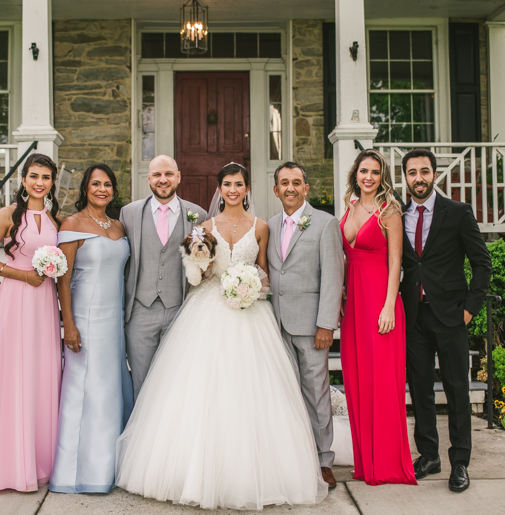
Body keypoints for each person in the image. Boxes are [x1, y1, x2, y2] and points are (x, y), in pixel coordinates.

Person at [116, 163, 328, 510]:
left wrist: (248, 286)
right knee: (201, 388)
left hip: (250, 312)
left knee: (252, 390)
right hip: (208, 308)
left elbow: (265, 272)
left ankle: (255, 472)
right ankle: (195, 471)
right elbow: (197, 276)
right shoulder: (201, 227)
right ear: (220, 188)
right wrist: (202, 267)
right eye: (227, 184)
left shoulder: (261, 227)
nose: (233, 189)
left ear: (247, 189)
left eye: (239, 184)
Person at [399, 148, 492, 493]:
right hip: (413, 316)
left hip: (451, 315)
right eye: (412, 173)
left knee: (457, 390)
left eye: (424, 171)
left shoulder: (457, 213)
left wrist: (469, 308)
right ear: (405, 177)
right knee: (420, 389)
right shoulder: (398, 213)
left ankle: (460, 462)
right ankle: (428, 455)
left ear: (434, 174)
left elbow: (482, 264)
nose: (418, 178)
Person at [0, 153, 62, 492]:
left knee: (41, 375)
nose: (40, 182)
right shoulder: (8, 215)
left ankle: (39, 462)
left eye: (46, 177)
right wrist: (21, 274)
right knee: (14, 375)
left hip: (45, 305)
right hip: (15, 300)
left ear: (53, 182)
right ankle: (8, 464)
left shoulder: (55, 218)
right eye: (34, 176)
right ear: (23, 180)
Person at [49, 164, 133, 494]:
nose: (102, 189)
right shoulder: (72, 225)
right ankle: (78, 472)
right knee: (85, 392)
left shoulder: (118, 225)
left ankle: (112, 467)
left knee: (112, 389)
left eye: (108, 184)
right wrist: (68, 325)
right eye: (96, 184)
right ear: (85, 189)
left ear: (113, 190)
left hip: (114, 322)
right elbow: (63, 280)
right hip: (84, 320)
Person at [339, 150, 416, 486]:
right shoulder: (350, 207)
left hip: (379, 303)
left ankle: (385, 464)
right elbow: (344, 257)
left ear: (382, 175)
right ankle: (364, 462)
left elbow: (396, 263)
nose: (367, 177)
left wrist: (388, 306)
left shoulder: (390, 211)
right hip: (352, 303)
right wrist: (340, 294)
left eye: (374, 172)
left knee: (382, 383)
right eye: (362, 171)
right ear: (355, 174)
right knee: (357, 383)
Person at [267, 161, 345, 490]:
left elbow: (333, 276)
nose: (290, 188)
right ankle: (295, 457)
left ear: (306, 188)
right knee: (285, 394)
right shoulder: (268, 226)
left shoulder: (325, 224)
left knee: (316, 394)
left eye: (296, 182)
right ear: (275, 190)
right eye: (284, 182)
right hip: (276, 324)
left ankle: (324, 460)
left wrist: (326, 324)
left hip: (312, 326)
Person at [118, 155, 207, 401]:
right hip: (140, 312)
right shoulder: (129, 213)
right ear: (148, 179)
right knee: (142, 383)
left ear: (178, 177)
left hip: (180, 310)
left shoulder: (198, 215)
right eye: (157, 175)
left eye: (168, 174)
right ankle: (140, 439)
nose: (163, 180)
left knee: (178, 383)